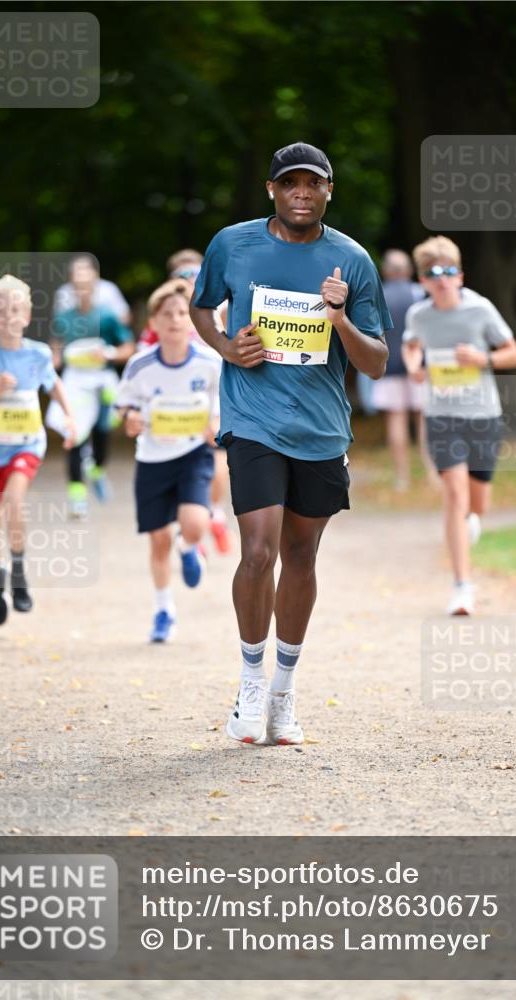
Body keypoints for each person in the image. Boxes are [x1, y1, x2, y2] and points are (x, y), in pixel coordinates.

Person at [190, 141, 390, 746]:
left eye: (314, 183)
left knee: (301, 557)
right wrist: (227, 347)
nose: (302, 193)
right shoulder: (233, 243)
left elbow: (377, 363)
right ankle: (250, 686)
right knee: (259, 550)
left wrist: (339, 321)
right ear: (272, 190)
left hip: (321, 430)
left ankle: (283, 689)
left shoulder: (351, 261)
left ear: (329, 191)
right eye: (290, 183)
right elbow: (202, 308)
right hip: (252, 419)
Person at [401, 236, 516, 615]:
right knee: (454, 495)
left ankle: (471, 520)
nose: (442, 279)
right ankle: (462, 586)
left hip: (482, 416)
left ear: (460, 275)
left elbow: (513, 354)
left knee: (476, 502)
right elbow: (410, 345)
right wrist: (413, 367)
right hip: (442, 416)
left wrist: (481, 357)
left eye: (449, 271)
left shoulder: (480, 309)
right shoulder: (419, 315)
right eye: (433, 273)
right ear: (422, 280)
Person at [0, 275, 76, 625]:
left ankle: (19, 571)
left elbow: (55, 386)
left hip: (26, 445)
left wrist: (69, 419)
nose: (8, 316)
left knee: (14, 501)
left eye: (15, 309)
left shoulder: (37, 354)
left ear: (26, 315)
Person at [116, 280, 220, 643]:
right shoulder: (140, 365)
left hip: (193, 453)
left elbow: (222, 408)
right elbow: (124, 408)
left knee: (193, 524)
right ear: (154, 323)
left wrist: (216, 427)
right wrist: (130, 419)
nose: (175, 319)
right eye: (167, 314)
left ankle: (189, 547)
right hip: (152, 458)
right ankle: (164, 610)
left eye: (181, 312)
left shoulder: (210, 363)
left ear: (192, 320)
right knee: (158, 540)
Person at [139, 249, 234, 555]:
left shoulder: (220, 307)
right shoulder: (167, 314)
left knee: (217, 457)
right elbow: (143, 358)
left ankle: (212, 512)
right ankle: (193, 526)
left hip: (212, 397)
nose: (188, 280)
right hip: (172, 406)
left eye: (194, 273)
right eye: (181, 275)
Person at [47, 260, 134, 517]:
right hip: (75, 383)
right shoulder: (63, 317)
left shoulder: (107, 316)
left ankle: (97, 470)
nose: (82, 287)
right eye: (78, 282)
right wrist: (52, 363)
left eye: (87, 282)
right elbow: (56, 351)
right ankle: (77, 498)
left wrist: (107, 353)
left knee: (101, 434)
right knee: (73, 434)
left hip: (102, 383)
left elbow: (128, 348)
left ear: (95, 283)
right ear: (72, 285)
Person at [373, 249, 436, 491]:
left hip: (388, 366)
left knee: (396, 419)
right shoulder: (419, 294)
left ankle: (402, 478)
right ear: (409, 270)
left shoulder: (379, 296)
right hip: (419, 366)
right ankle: (431, 474)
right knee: (423, 420)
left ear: (386, 271)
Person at [54, 255, 131, 325]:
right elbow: (60, 324)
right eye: (77, 273)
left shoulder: (109, 289)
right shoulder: (63, 292)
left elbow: (125, 317)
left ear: (94, 274)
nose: (81, 277)